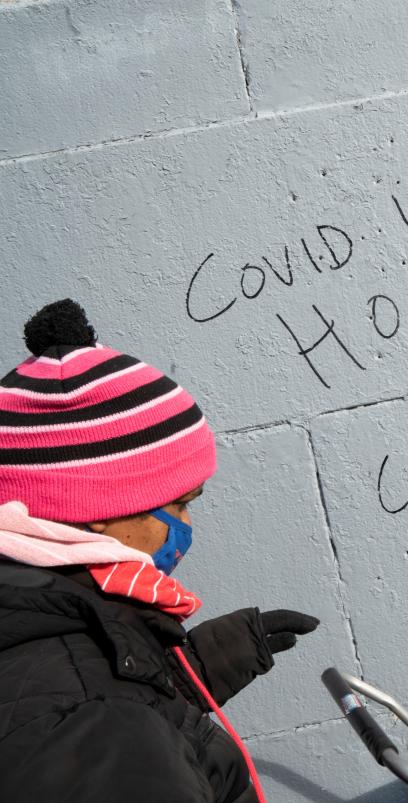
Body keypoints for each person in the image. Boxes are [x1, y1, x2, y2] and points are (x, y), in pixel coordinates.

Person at [0, 299, 319, 802]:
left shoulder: (36, 612)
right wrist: (126, 708)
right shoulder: (103, 725)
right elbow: (94, 724)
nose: (187, 527)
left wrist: (187, 673)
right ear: (98, 506)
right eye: (180, 504)